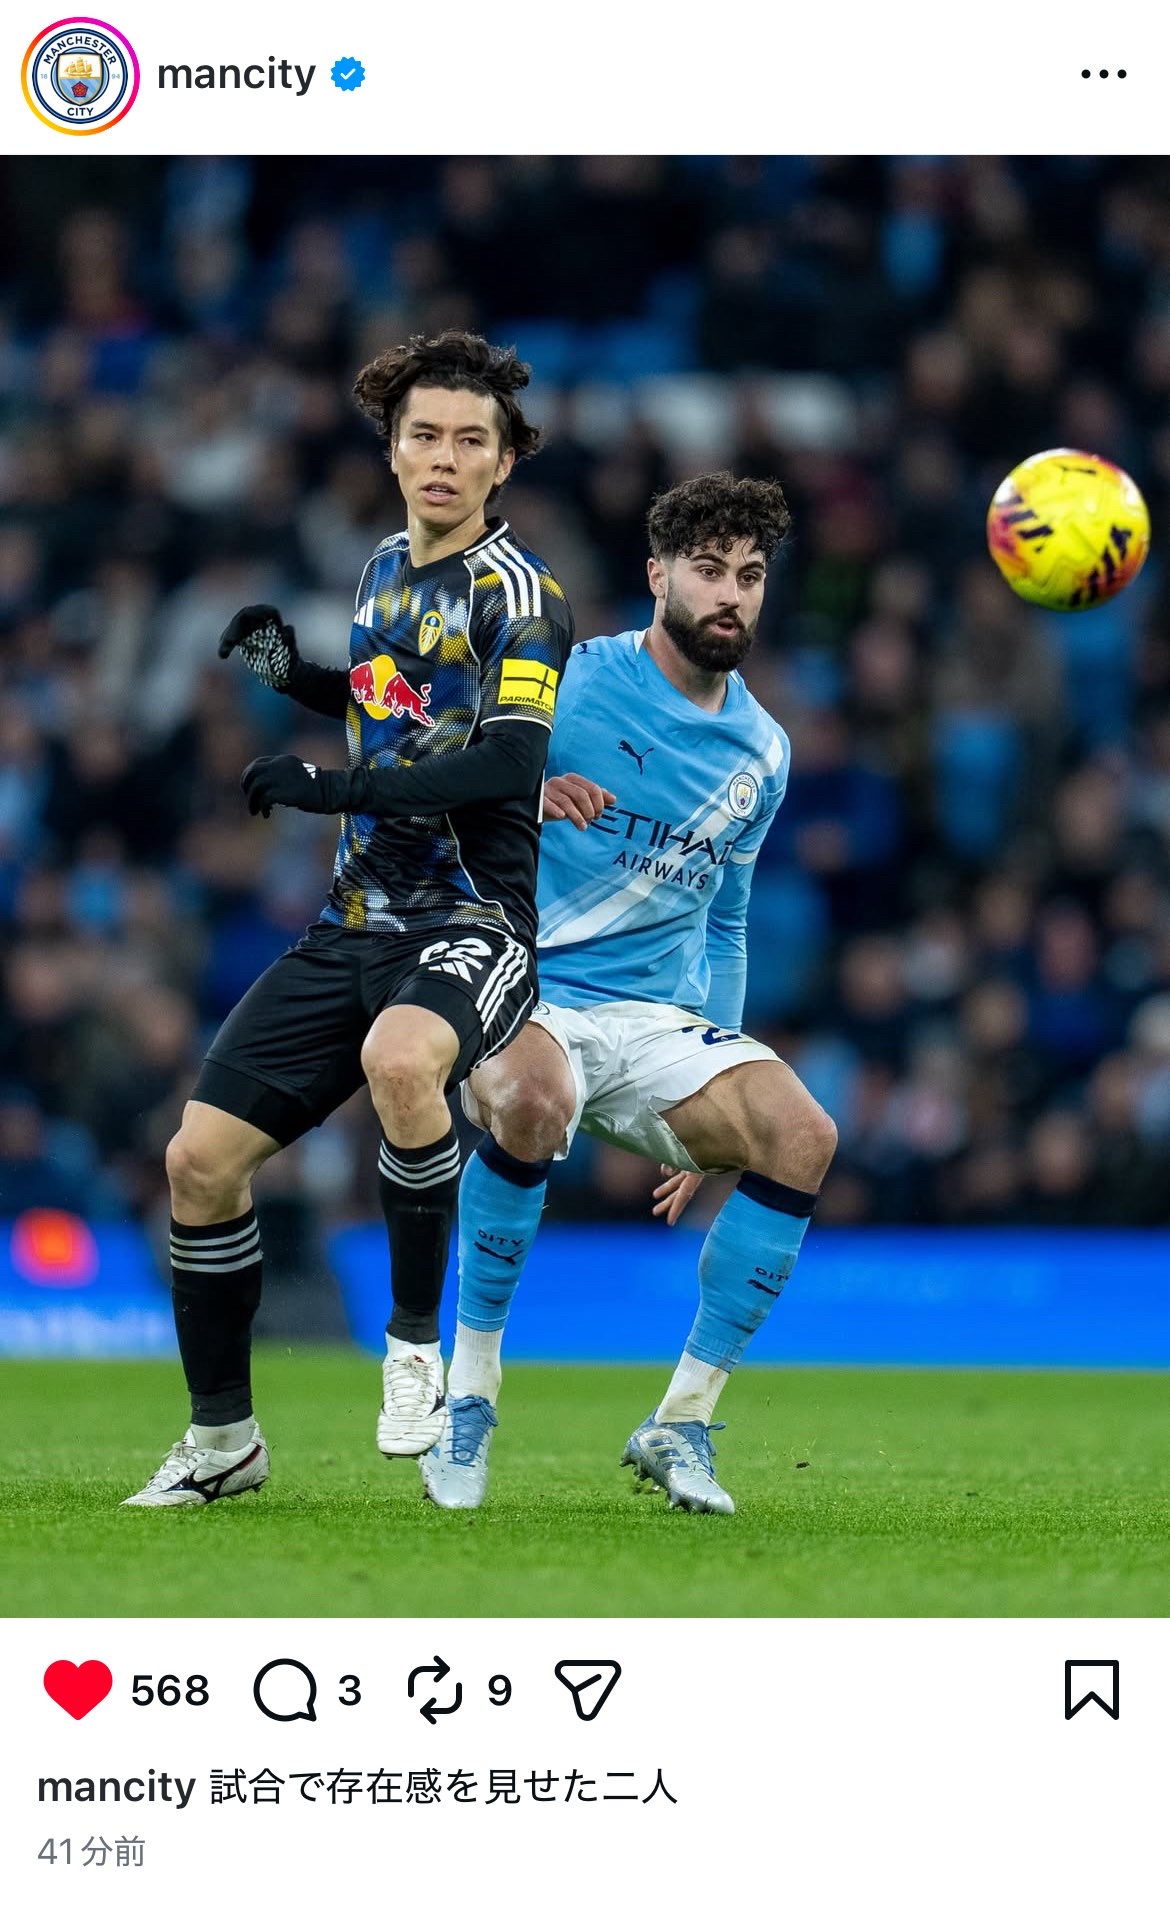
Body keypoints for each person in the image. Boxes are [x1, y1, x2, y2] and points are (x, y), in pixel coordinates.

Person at [124, 330, 573, 1507]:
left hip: (472, 923)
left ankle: (415, 1350)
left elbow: (506, 761)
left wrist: (334, 787)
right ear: (392, 449)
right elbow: (394, 704)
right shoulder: (382, 569)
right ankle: (223, 1443)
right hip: (355, 922)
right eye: (425, 435)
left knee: (402, 1060)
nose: (445, 457)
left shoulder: (524, 598)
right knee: (197, 1162)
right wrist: (296, 677)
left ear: (503, 463)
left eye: (470, 440)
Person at [420, 471, 837, 1515]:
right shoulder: (567, 676)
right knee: (529, 1099)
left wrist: (717, 1084)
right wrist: (524, 791)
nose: (730, 595)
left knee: (801, 1132)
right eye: (709, 570)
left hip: (655, 1022)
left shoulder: (764, 751)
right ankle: (467, 1394)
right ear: (657, 575)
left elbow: (727, 921)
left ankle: (682, 1421)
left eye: (750, 575)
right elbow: (429, 782)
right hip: (523, 986)